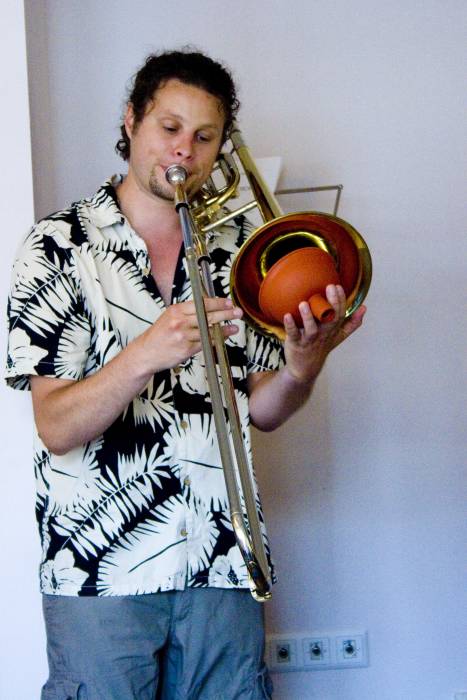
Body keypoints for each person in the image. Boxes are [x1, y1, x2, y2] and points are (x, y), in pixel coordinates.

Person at [5, 49, 365, 700]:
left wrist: (304, 367)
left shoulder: (240, 249)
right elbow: (55, 426)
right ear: (131, 121)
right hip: (101, 573)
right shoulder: (55, 246)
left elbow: (263, 408)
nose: (185, 150)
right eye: (169, 127)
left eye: (204, 136)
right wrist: (145, 352)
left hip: (222, 562)